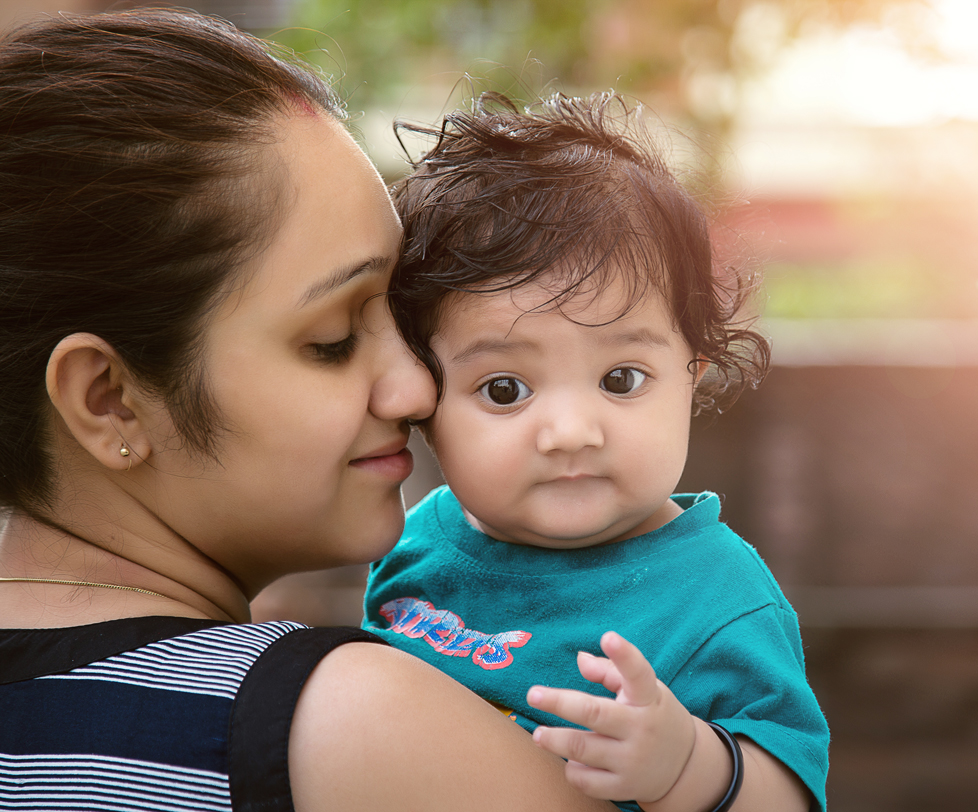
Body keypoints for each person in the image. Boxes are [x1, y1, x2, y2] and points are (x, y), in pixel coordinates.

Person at [0, 10, 618, 812]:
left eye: (399, 312)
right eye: (332, 339)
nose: (415, 388)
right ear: (108, 401)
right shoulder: (353, 727)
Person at [363, 93, 829, 812]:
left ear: (690, 377)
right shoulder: (416, 545)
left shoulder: (717, 599)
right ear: (426, 405)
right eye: (504, 388)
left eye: (619, 379)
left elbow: (791, 793)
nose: (571, 431)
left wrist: (686, 767)